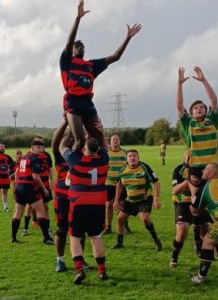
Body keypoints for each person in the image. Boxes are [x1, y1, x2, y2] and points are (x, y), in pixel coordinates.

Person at [60, 0, 141, 151]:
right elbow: (69, 41)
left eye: (82, 46)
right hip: (73, 102)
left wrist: (128, 38)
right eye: (77, 46)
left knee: (98, 139)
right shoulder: (67, 62)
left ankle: (101, 166)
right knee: (78, 141)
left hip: (87, 103)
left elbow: (115, 57)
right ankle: (73, 172)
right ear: (71, 50)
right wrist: (78, 18)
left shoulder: (91, 65)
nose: (80, 47)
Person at [59, 122, 109, 284]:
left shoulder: (75, 160)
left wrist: (71, 127)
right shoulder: (103, 158)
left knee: (74, 237)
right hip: (98, 204)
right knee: (96, 237)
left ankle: (79, 270)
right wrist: (100, 133)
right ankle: (102, 271)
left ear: (84, 149)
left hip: (79, 204)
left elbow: (61, 146)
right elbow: (104, 147)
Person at [51, 119, 89, 272]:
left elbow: (92, 141)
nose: (72, 140)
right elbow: (56, 141)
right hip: (62, 197)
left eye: (75, 138)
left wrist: (90, 127)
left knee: (81, 229)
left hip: (79, 196)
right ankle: (60, 260)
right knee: (61, 229)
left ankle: (80, 258)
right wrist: (66, 121)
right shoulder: (60, 155)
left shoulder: (82, 156)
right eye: (69, 138)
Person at [176, 66, 218, 197]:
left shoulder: (211, 120)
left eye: (201, 107)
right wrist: (179, 84)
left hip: (212, 166)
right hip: (195, 166)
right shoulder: (188, 123)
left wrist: (204, 80)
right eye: (195, 108)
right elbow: (179, 105)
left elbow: (214, 100)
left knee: (213, 197)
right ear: (191, 113)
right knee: (197, 198)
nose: (199, 109)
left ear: (206, 111)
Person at [113, 149, 162, 251]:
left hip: (144, 199)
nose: (132, 158)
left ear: (138, 158)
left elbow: (156, 182)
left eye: (134, 156)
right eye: (130, 156)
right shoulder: (123, 169)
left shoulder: (144, 167)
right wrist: (116, 200)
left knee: (145, 219)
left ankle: (156, 240)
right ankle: (119, 242)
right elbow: (119, 184)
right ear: (127, 159)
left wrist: (156, 198)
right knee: (120, 218)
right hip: (130, 200)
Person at [11, 138, 51, 243]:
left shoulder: (23, 158)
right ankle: (46, 238)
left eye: (42, 147)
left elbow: (17, 172)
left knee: (18, 212)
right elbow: (35, 177)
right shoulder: (35, 159)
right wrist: (44, 189)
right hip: (28, 187)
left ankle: (13, 237)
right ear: (32, 147)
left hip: (19, 187)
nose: (41, 149)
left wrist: (16, 185)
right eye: (38, 147)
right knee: (41, 211)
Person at [104, 135, 130, 234]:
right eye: (113, 139)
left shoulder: (125, 153)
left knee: (122, 205)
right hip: (109, 183)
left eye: (117, 139)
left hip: (123, 184)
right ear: (110, 142)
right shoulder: (106, 153)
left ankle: (124, 226)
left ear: (119, 141)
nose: (115, 141)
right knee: (109, 205)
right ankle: (108, 226)